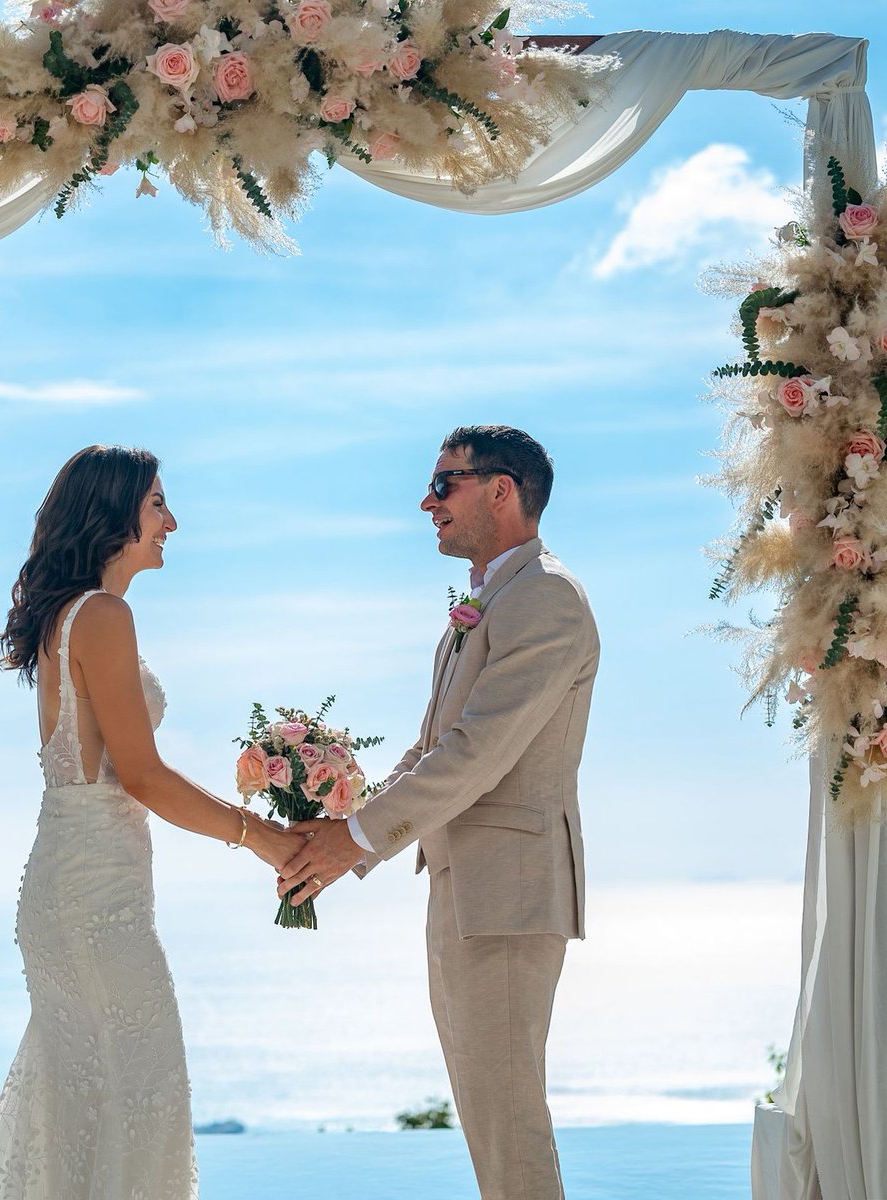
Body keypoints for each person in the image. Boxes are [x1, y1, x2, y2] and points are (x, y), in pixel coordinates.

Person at [0, 445, 301, 1200]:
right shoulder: (104, 616)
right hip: (94, 906)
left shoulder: (64, 618)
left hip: (71, 889)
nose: (171, 522)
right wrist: (264, 837)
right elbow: (142, 776)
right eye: (157, 505)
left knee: (86, 1098)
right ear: (113, 514)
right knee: (139, 1094)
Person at [280, 425, 599, 1200]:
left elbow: (478, 753)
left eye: (444, 483)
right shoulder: (492, 600)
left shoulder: (547, 599)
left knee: (508, 1122)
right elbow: (433, 749)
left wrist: (352, 841)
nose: (427, 502)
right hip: (465, 893)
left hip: (508, 898)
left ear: (501, 490)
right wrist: (338, 826)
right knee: (490, 1121)